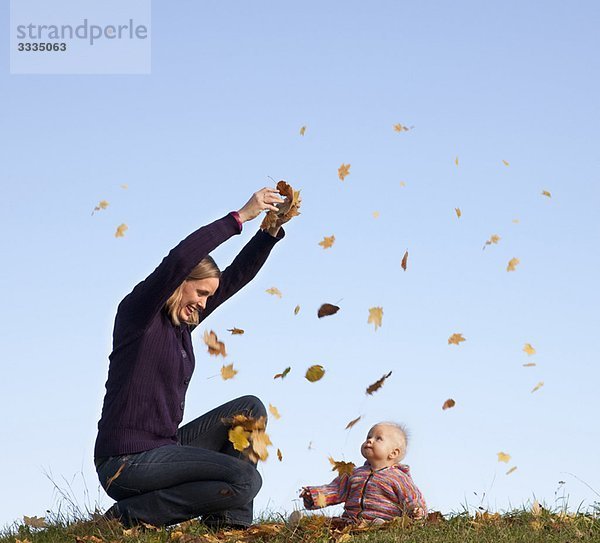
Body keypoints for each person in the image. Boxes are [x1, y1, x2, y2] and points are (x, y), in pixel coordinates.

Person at [94, 187, 290, 528]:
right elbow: (180, 259)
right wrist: (239, 217)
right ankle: (130, 515)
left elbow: (236, 278)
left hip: (163, 449)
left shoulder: (181, 327)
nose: (203, 303)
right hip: (125, 461)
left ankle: (229, 526)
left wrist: (268, 233)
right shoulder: (139, 315)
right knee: (245, 480)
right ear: (178, 283)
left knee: (249, 410)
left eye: (208, 297)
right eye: (200, 293)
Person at [300, 422, 427, 523]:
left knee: (381, 524)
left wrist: (416, 511)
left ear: (393, 453)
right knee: (330, 523)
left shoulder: (399, 478)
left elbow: (412, 498)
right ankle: (301, 521)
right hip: (350, 521)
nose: (369, 440)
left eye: (378, 438)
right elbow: (336, 490)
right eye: (368, 437)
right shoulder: (355, 473)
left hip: (384, 520)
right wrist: (314, 495)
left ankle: (378, 526)